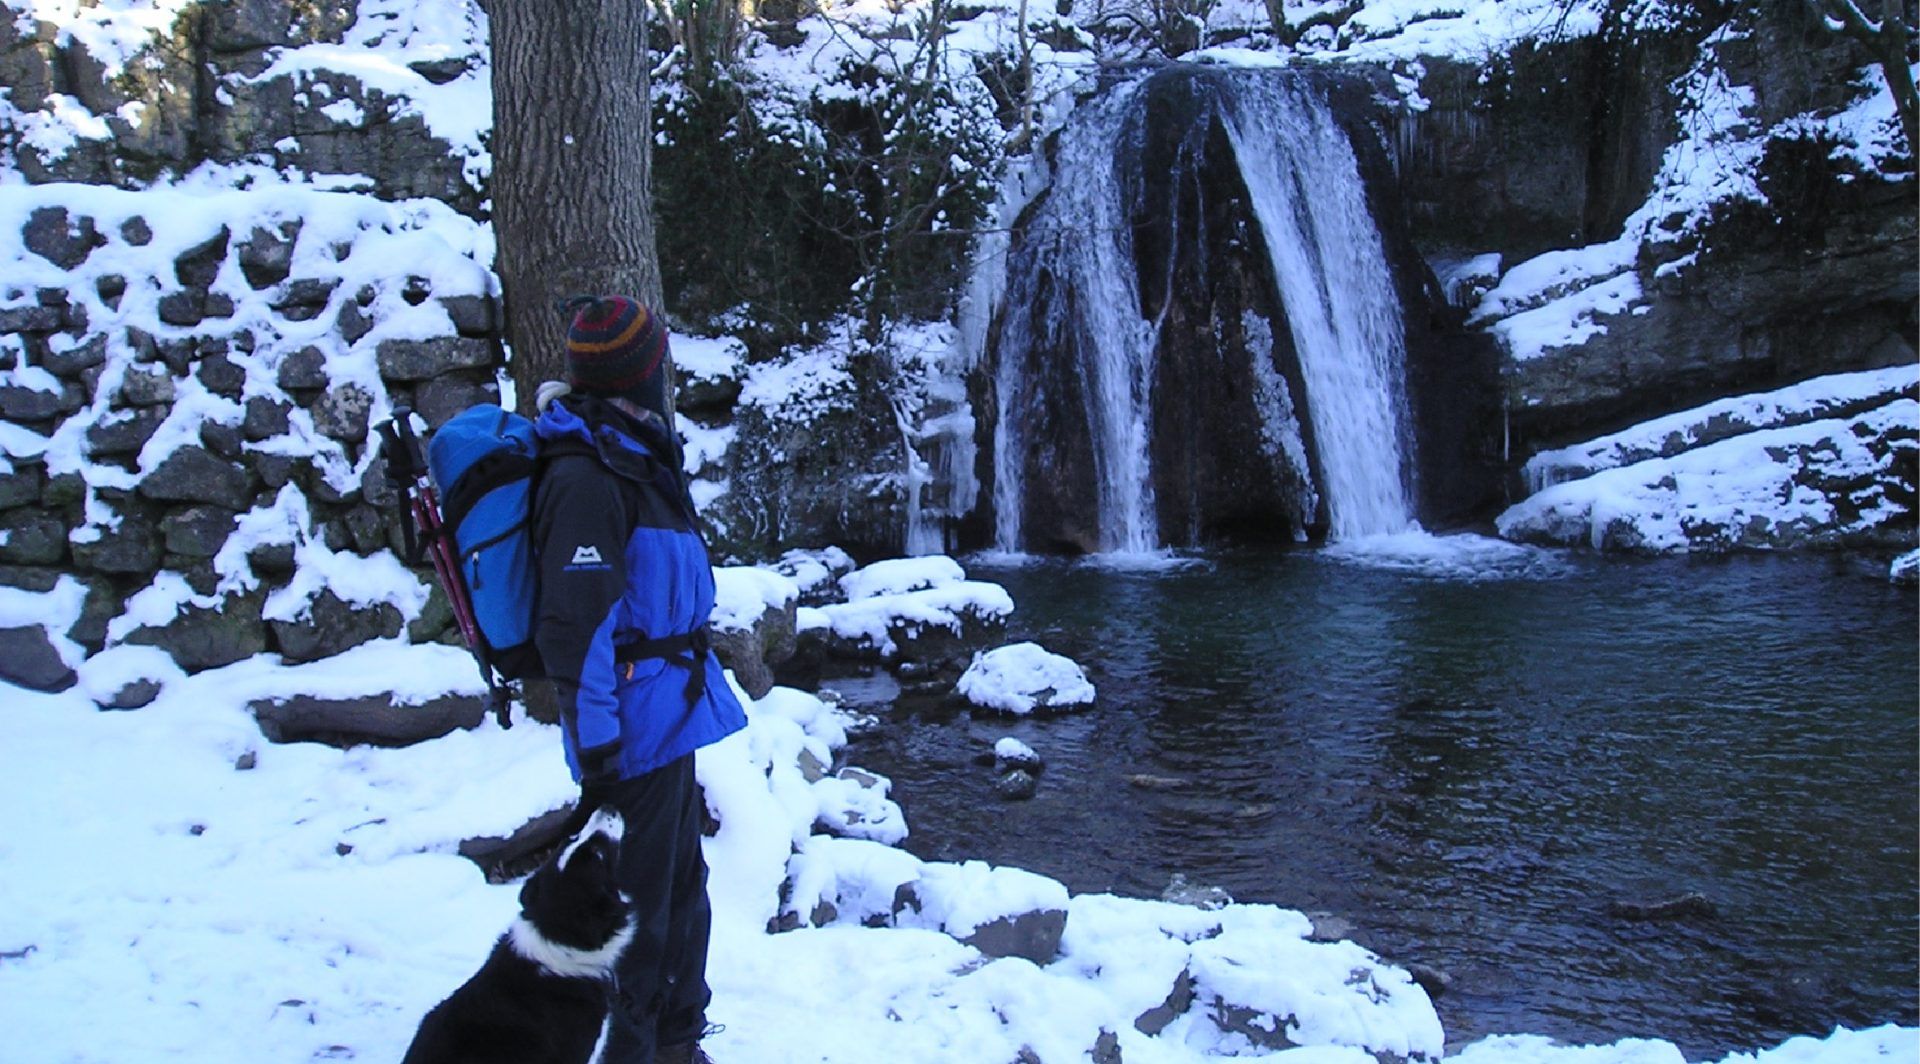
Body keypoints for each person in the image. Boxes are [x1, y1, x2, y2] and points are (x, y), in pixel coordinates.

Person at [530, 295, 747, 1064]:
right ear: (640, 373)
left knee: (683, 901)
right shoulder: (589, 474)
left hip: (669, 717)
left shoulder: (633, 454)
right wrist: (598, 753)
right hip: (631, 735)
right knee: (642, 924)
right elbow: (576, 625)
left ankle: (678, 1045)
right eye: (659, 365)